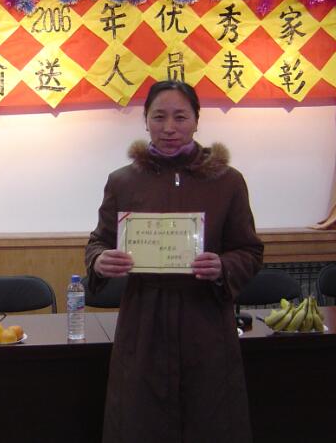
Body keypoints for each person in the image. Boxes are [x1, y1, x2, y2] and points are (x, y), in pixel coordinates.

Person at [85, 80, 264, 443]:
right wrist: (100, 260)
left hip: (205, 320)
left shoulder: (227, 181)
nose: (169, 127)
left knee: (210, 418)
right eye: (159, 117)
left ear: (197, 120)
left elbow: (249, 250)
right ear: (145, 121)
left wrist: (224, 266)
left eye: (180, 117)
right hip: (144, 320)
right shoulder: (123, 181)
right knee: (140, 421)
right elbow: (99, 241)